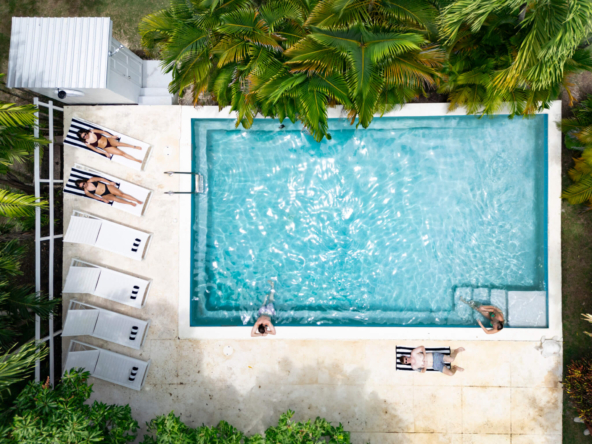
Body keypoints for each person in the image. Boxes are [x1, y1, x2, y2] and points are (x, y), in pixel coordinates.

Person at [77, 128, 143, 163]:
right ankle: (136, 160)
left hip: (108, 140)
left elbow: (102, 132)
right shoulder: (87, 143)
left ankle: (134, 146)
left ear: (85, 132)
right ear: (82, 138)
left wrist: (112, 136)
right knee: (121, 153)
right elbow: (96, 149)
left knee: (119, 144)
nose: (85, 136)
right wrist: (105, 153)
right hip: (106, 147)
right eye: (83, 137)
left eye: (85, 134)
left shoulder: (92, 131)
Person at [75, 177, 143, 207]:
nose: (84, 185)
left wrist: (110, 182)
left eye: (83, 184)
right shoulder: (86, 192)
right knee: (115, 199)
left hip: (107, 187)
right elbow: (95, 197)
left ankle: (136, 200)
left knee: (121, 194)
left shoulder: (91, 180)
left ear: (83, 181)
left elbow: (101, 179)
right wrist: (103, 199)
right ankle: (129, 203)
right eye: (82, 186)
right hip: (104, 195)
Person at [399, 346, 465, 376]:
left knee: (451, 359)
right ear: (406, 363)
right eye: (406, 362)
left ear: (406, 356)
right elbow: (422, 371)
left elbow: (422, 347)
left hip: (435, 357)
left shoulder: (413, 353)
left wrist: (424, 356)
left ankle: (456, 351)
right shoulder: (414, 367)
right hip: (435, 365)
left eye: (406, 359)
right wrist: (425, 367)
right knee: (451, 374)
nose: (407, 360)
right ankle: (455, 368)